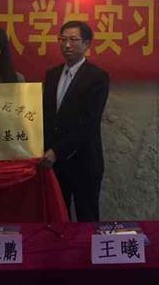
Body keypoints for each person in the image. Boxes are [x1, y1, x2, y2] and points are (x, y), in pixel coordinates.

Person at [40, 21, 110, 222]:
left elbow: (89, 123)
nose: (67, 45)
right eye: (63, 40)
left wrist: (57, 151)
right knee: (57, 218)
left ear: (86, 44)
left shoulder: (97, 77)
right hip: (54, 164)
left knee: (87, 219)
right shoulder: (52, 75)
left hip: (84, 162)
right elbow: (47, 117)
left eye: (73, 40)